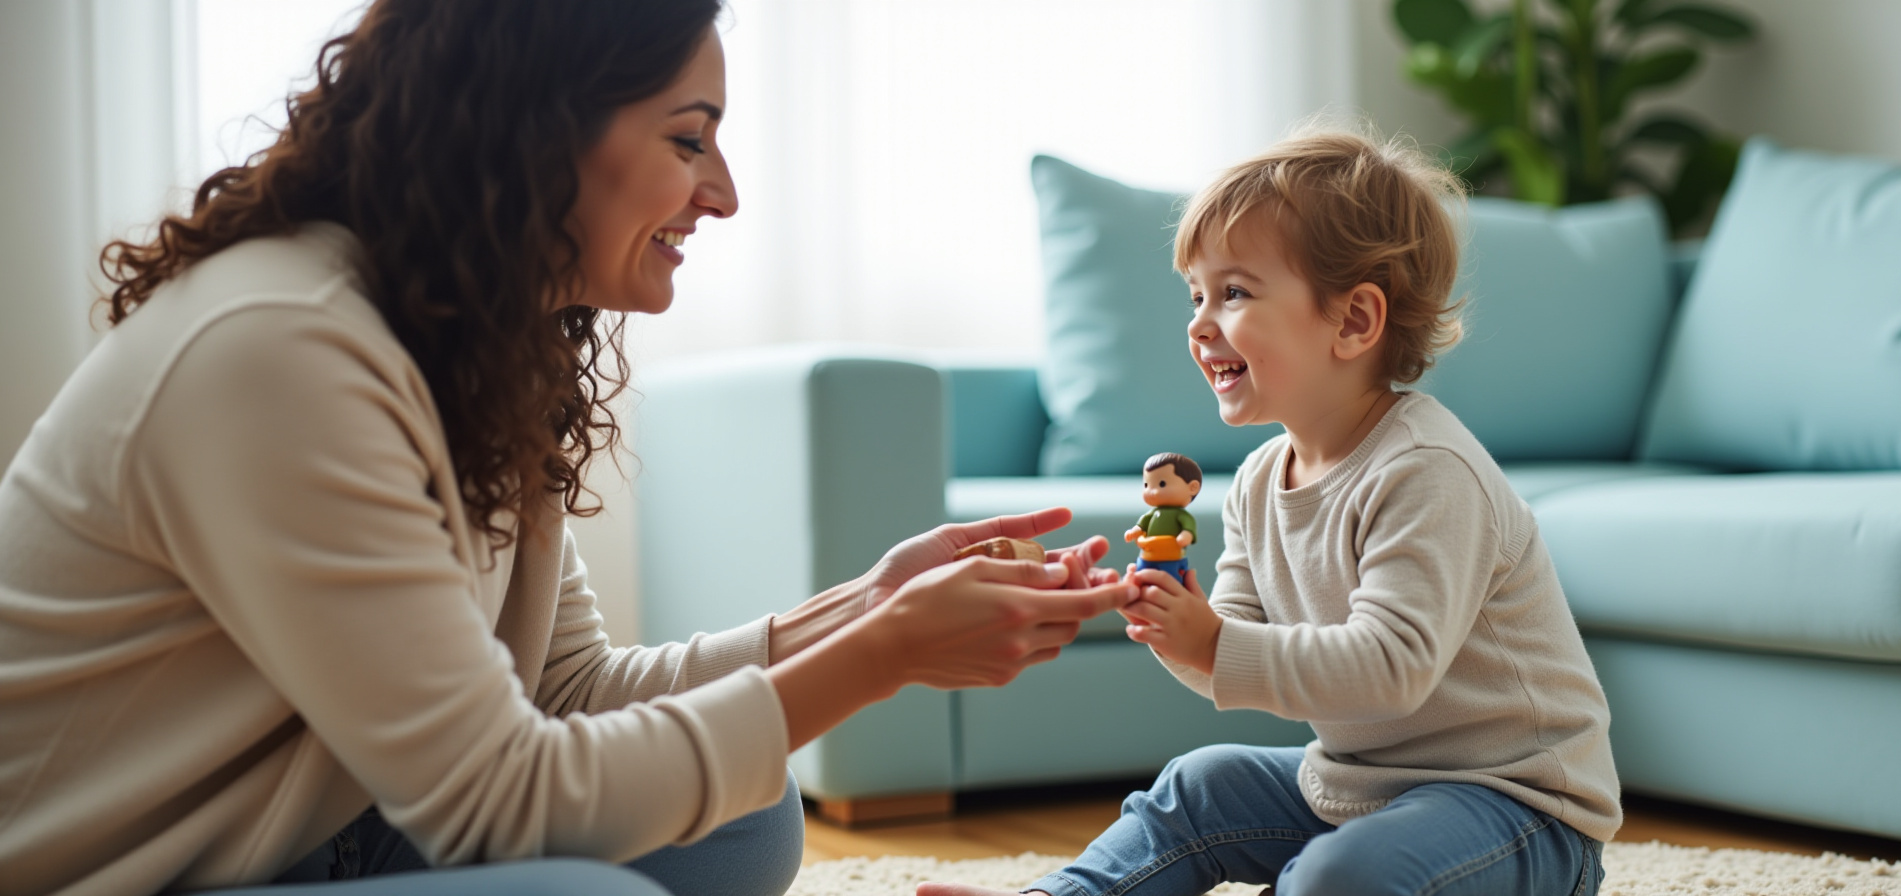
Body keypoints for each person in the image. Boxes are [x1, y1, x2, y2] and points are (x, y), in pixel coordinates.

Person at [0, 3, 1133, 895]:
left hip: (300, 830)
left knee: (744, 817)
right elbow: (496, 800)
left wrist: (863, 603)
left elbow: (569, 690)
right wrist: (880, 653)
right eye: (688, 138)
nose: (724, 195)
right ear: (530, 127)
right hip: (119, 870)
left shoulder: (472, 341)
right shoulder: (281, 348)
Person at [920, 129, 1621, 896]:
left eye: (1235, 292)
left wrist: (1213, 640)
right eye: (1196, 294)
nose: (1198, 321)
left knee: (1340, 877)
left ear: (1354, 321)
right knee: (1198, 785)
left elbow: (1391, 670)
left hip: (1520, 811)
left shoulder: (1427, 472)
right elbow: (1227, 653)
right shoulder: (1258, 481)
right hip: (1367, 784)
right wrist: (1162, 612)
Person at [1122, 452, 1202, 582]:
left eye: (1162, 484)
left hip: (1171, 558)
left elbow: (1188, 527)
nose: (1151, 491)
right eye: (1146, 485)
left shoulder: (1181, 515)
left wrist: (1186, 534)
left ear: (1192, 487)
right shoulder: (1152, 514)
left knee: (1171, 582)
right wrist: (1135, 531)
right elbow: (1142, 525)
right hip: (1147, 556)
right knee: (1140, 578)